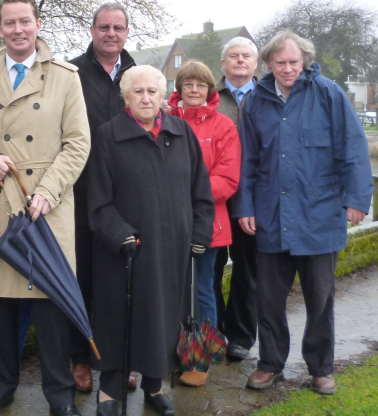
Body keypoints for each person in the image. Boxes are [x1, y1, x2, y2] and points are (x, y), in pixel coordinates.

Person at [0, 0, 90, 416]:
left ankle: (59, 394)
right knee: (2, 303)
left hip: (47, 203)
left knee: (51, 301)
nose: (18, 29)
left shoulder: (65, 76)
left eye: (25, 21)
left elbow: (78, 143)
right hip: (1, 199)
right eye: (9, 22)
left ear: (38, 24)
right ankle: (1, 386)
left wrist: (48, 191)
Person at [233, 30, 373, 395]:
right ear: (268, 63)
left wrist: (358, 198)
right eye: (280, 62)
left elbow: (353, 147)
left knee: (320, 300)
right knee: (268, 300)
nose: (287, 69)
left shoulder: (328, 93)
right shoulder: (256, 101)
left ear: (305, 60)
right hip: (271, 215)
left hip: (319, 215)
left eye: (294, 62)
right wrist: (245, 205)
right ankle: (270, 364)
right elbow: (247, 159)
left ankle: (321, 369)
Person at [89, 65, 215, 416]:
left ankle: (155, 387)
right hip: (127, 251)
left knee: (165, 319)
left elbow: (200, 190)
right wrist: (119, 233)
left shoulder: (181, 132)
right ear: (126, 97)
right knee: (120, 322)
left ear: (162, 97)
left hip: (173, 249)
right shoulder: (109, 135)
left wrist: (200, 232)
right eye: (138, 92)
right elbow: (98, 199)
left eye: (152, 92)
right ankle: (109, 392)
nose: (146, 98)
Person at [67, 3, 135, 392]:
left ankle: (121, 358)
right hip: (79, 192)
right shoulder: (71, 72)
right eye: (104, 27)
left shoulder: (138, 74)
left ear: (126, 32)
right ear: (92, 30)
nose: (111, 33)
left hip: (125, 196)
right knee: (81, 279)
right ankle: (80, 357)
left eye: (118, 27)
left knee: (121, 280)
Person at [165, 60, 241, 387]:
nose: (194, 90)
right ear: (179, 88)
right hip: (166, 222)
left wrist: (188, 192)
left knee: (202, 289)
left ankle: (199, 358)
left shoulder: (222, 125)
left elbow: (228, 177)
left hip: (206, 222)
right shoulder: (163, 120)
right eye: (188, 84)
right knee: (168, 290)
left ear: (210, 89)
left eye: (200, 85)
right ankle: (169, 352)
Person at [211, 37, 260, 361]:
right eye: (233, 56)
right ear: (223, 63)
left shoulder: (268, 96)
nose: (240, 60)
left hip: (254, 197)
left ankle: (241, 336)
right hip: (214, 196)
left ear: (255, 63)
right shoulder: (209, 96)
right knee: (210, 267)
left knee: (248, 267)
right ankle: (213, 332)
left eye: (246, 56)